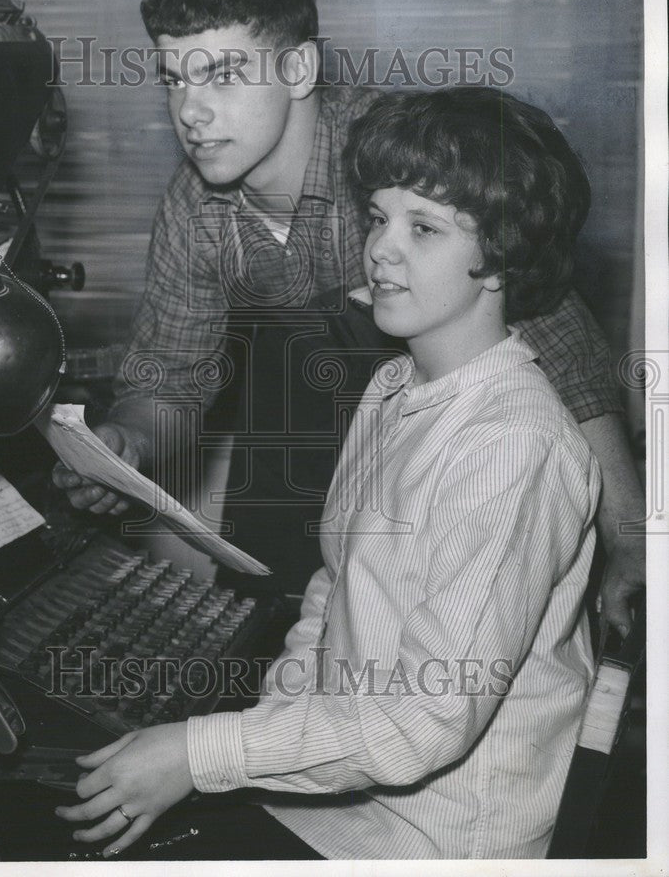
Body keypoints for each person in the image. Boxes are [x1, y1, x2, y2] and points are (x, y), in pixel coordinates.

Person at [55, 87, 603, 859]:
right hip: (337, 801)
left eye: (425, 228)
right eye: (379, 217)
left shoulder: (511, 446)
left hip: (433, 842)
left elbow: (422, 724)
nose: (381, 248)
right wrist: (263, 738)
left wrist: (202, 755)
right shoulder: (392, 388)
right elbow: (335, 588)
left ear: (502, 258)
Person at [51, 0, 643, 634]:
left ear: (300, 67)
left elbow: (561, 349)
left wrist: (632, 536)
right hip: (301, 443)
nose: (191, 110)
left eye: (223, 75)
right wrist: (124, 444)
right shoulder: (194, 208)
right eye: (175, 77)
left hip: (450, 438)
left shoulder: (400, 159)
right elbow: (174, 379)